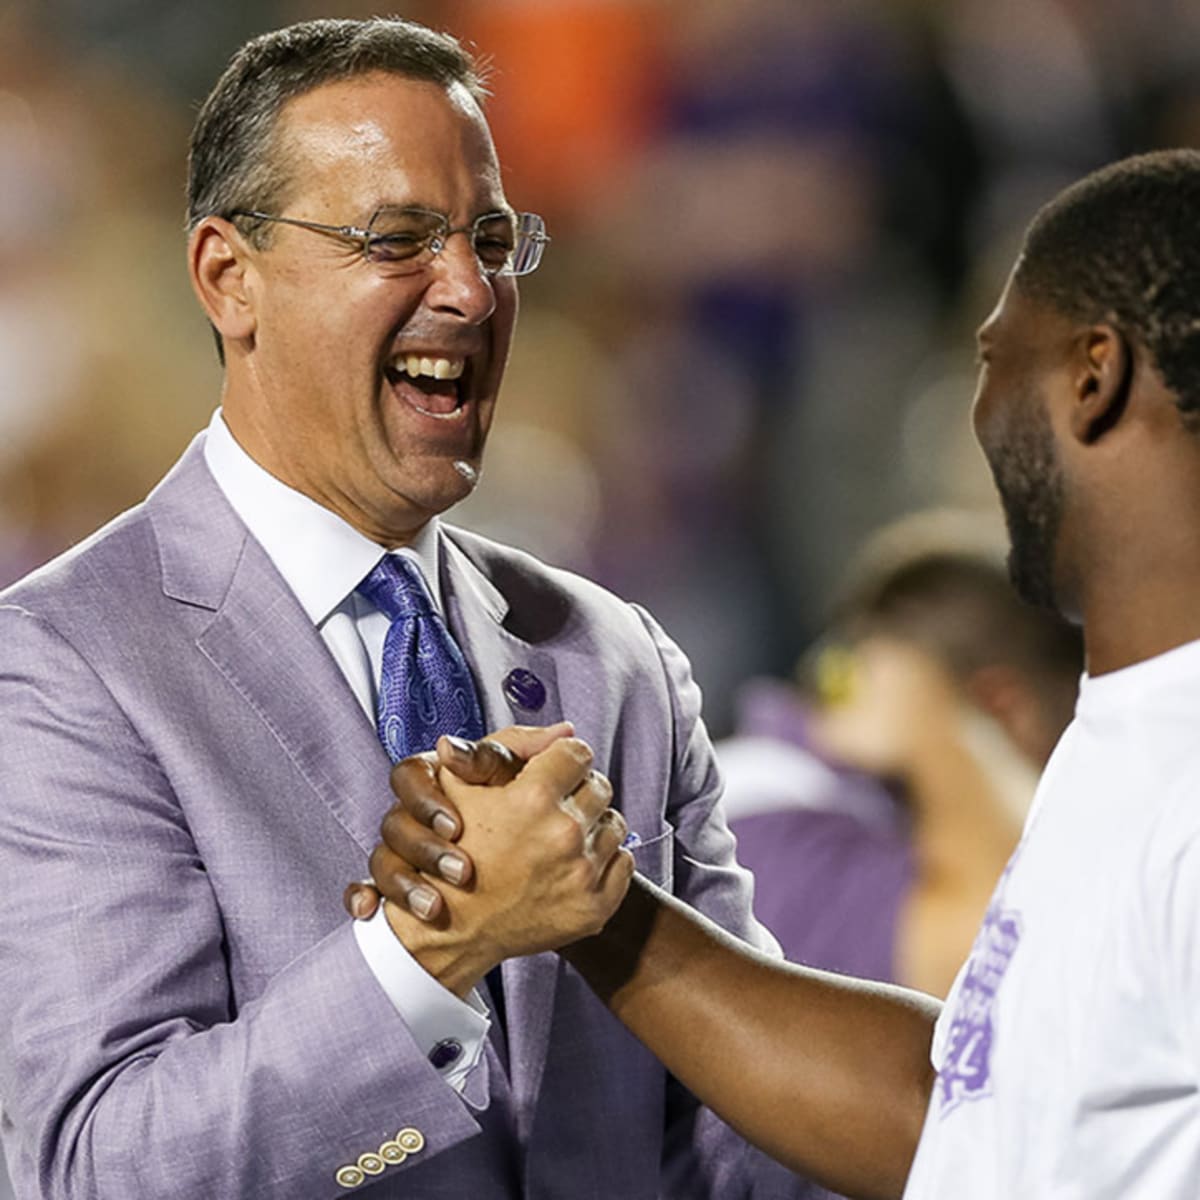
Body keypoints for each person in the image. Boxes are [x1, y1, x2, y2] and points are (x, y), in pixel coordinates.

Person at [0, 17, 809, 1199]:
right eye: (399, 240)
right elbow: (98, 1169)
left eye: (490, 238)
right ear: (232, 279)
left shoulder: (611, 658)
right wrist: (434, 947)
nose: (472, 290)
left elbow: (740, 1138)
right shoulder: (67, 666)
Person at [358, 147, 1200, 1199]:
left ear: (1093, 376)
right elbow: (957, 1116)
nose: (976, 418)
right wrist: (586, 900)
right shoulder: (1131, 729)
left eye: (994, 362)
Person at [720, 513, 1082, 995]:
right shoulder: (770, 833)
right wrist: (945, 732)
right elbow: (1038, 951)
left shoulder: (831, 803)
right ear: (1003, 705)